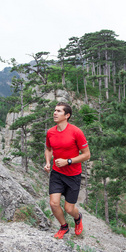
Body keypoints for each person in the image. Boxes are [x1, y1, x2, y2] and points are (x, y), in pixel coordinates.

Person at [44, 102, 91, 239]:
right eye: (55, 110)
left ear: (67, 115)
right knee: (53, 203)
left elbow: (87, 155)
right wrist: (48, 162)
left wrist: (68, 161)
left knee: (69, 209)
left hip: (73, 175)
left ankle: (77, 218)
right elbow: (48, 149)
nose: (55, 113)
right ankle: (64, 226)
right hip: (57, 173)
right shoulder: (50, 132)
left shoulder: (76, 132)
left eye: (59, 111)